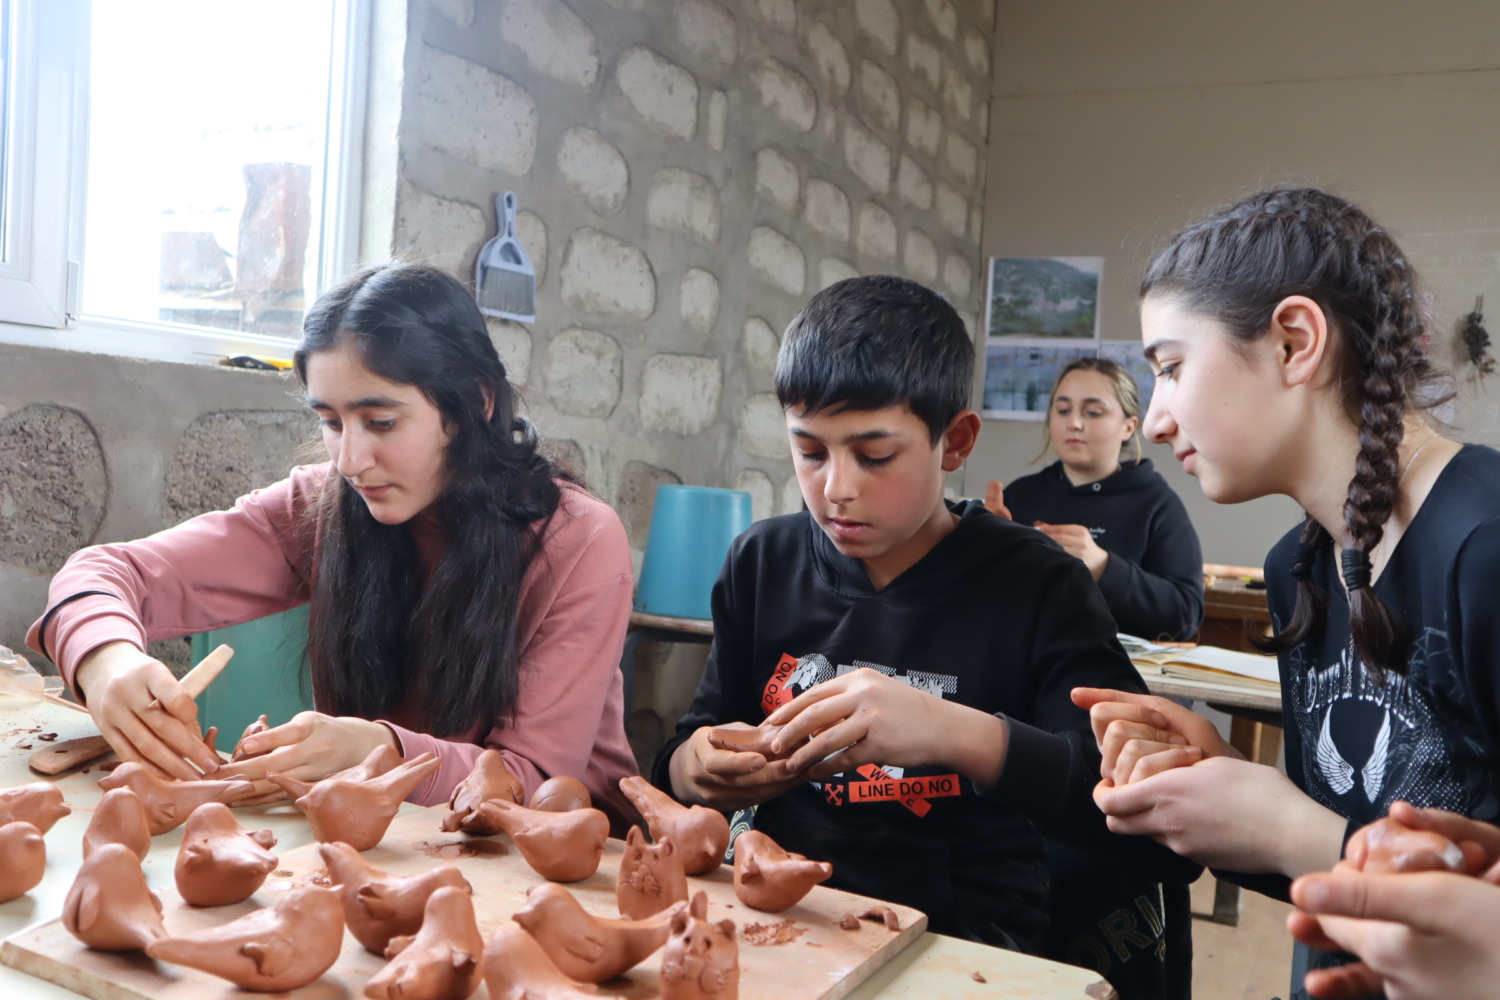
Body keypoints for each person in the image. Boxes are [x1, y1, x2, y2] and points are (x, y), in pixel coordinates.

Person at [651, 275, 1200, 995]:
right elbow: (692, 742)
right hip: (786, 920)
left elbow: (1135, 813)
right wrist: (694, 767)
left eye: (875, 456)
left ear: (955, 442)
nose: (836, 488)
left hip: (965, 941)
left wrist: (958, 734)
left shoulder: (1038, 585)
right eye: (810, 452)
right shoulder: (763, 562)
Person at [1072, 188, 1500, 996]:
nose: (1157, 421)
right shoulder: (1294, 569)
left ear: (1295, 342)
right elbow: (1332, 848)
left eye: (1170, 368)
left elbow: (1331, 844)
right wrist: (1231, 787)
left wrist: (1292, 827)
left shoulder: (1484, 547)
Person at [26, 263, 638, 824]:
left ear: (474, 404)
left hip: (580, 870)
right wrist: (107, 662)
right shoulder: (324, 506)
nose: (350, 459)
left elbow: (533, 781)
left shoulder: (578, 541)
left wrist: (375, 749)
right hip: (390, 845)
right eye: (330, 421)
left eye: (382, 422)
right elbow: (107, 572)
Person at [986, 356, 1204, 641]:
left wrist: (1102, 566)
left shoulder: (1157, 505)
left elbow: (1185, 618)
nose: (1074, 423)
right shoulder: (1019, 496)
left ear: (1129, 426)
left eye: (1093, 412)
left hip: (1112, 675)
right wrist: (988, 551)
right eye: (1063, 410)